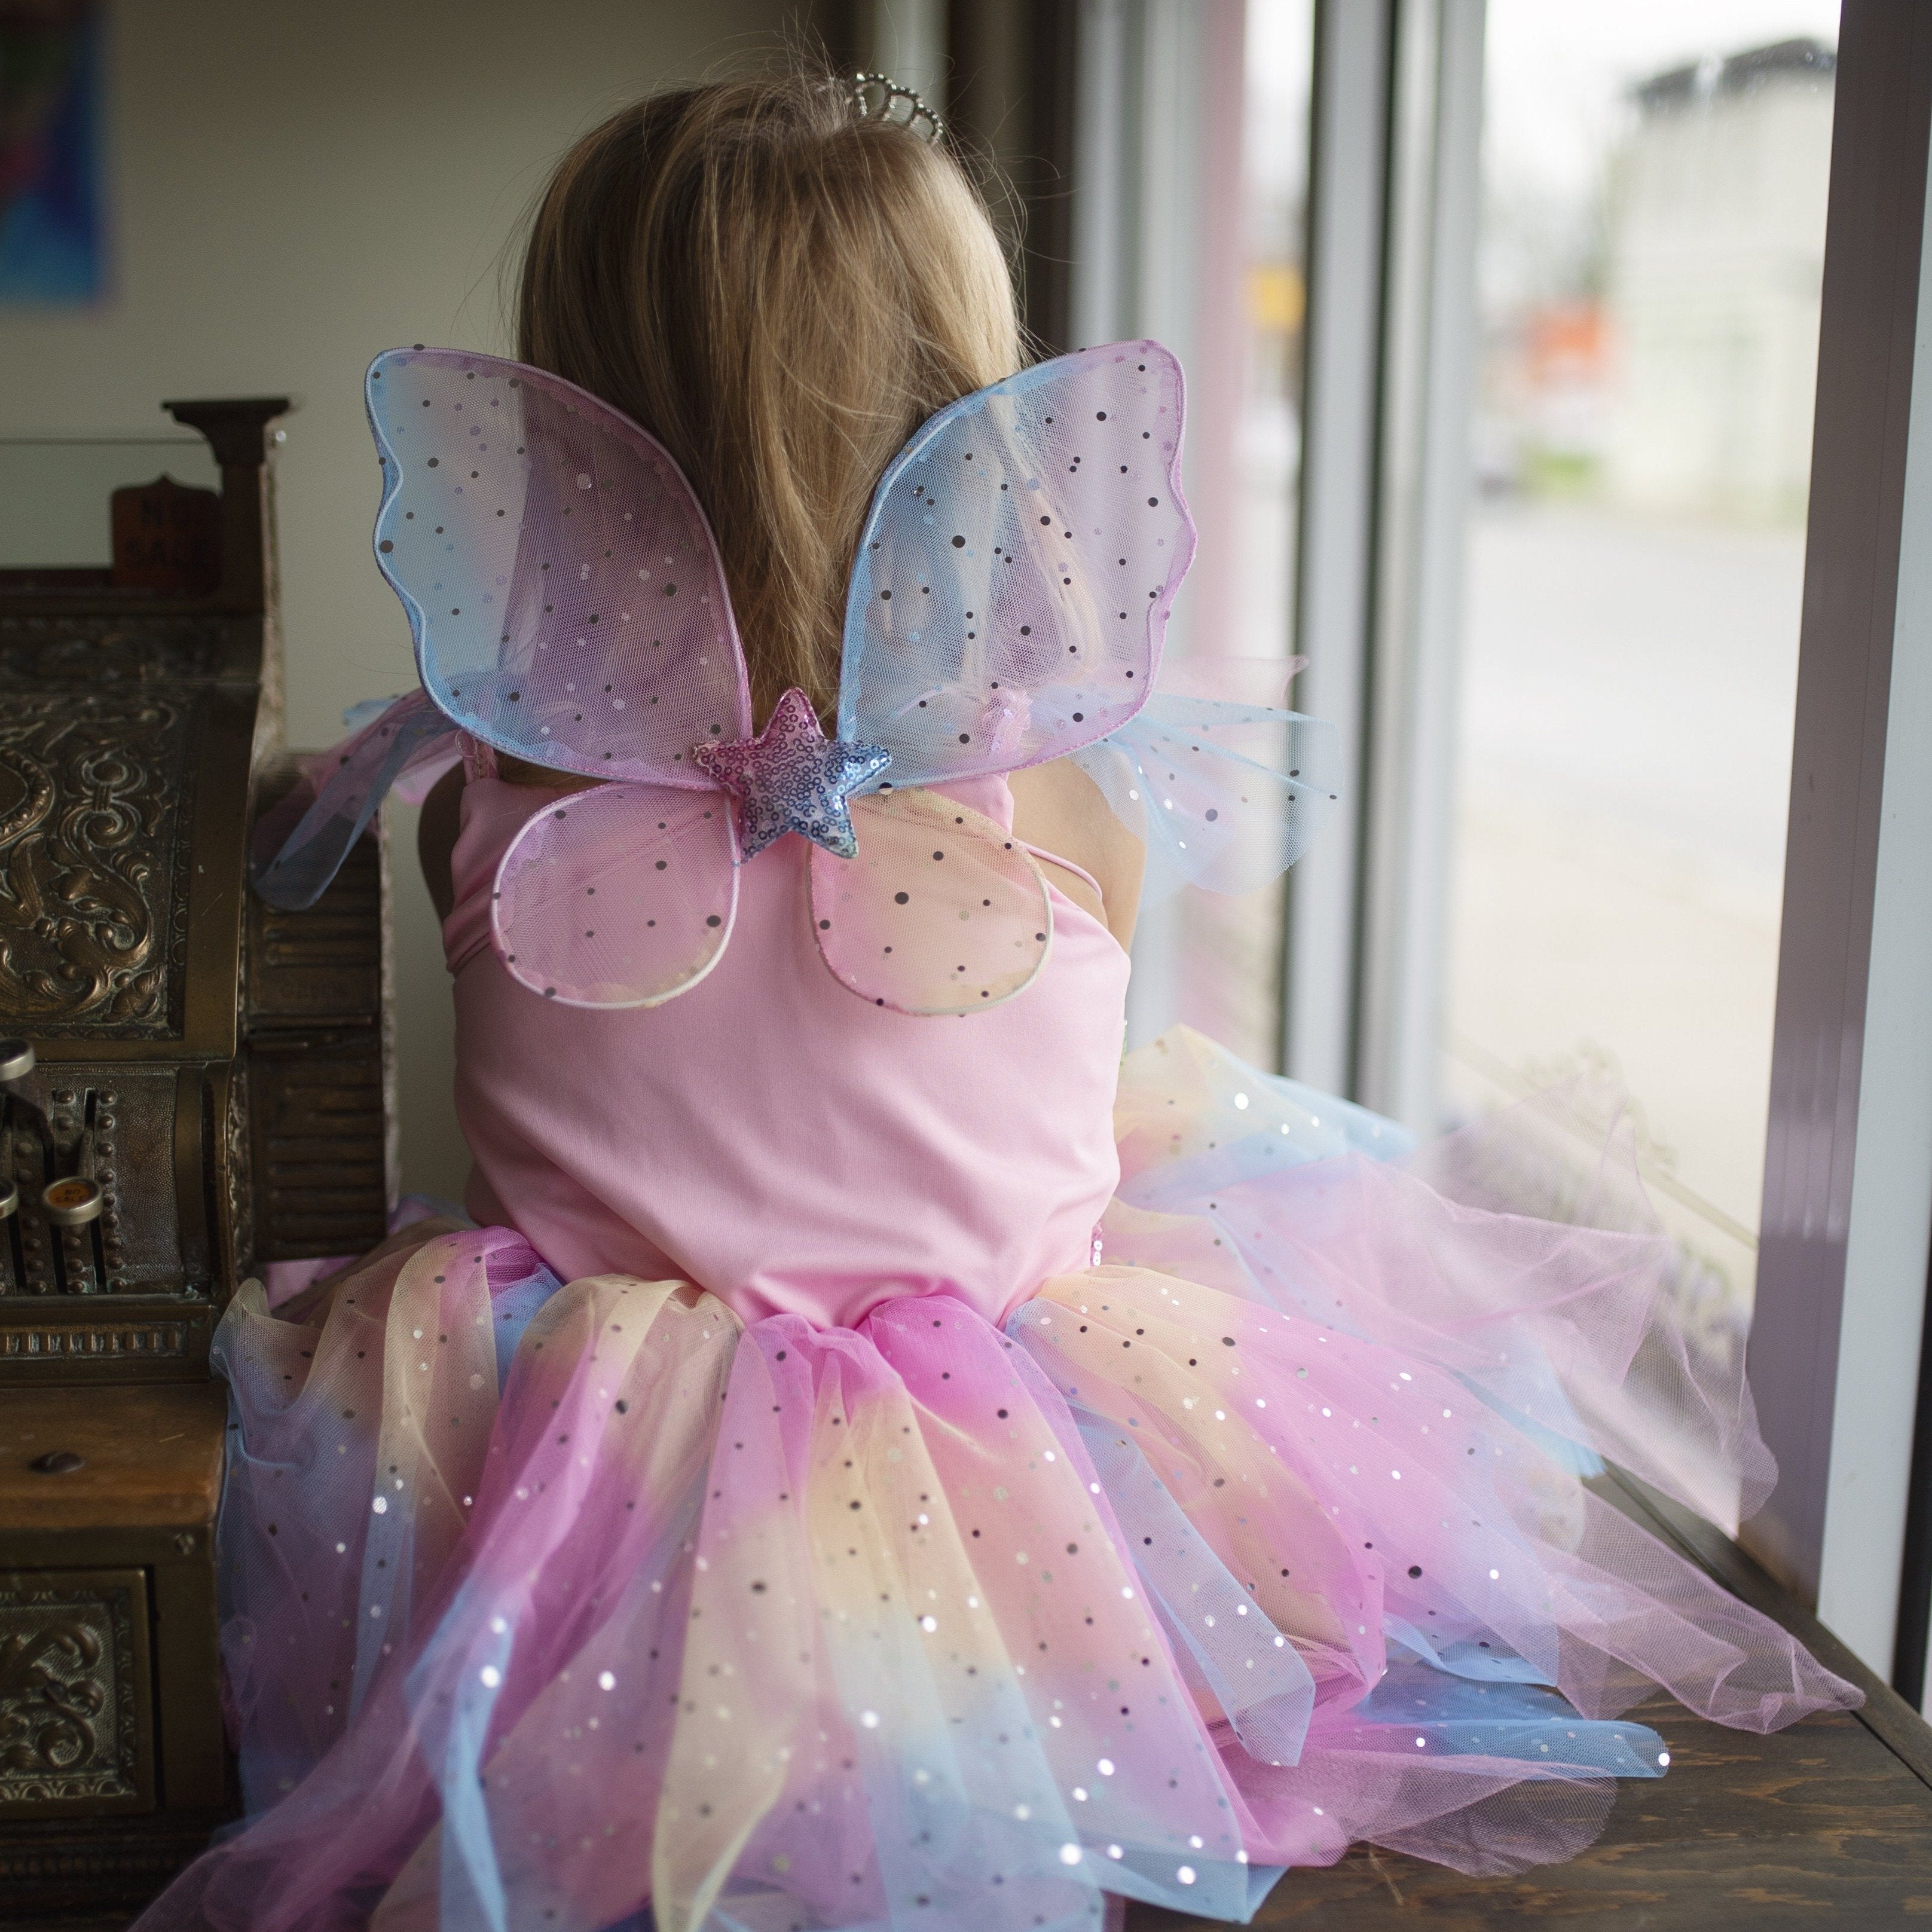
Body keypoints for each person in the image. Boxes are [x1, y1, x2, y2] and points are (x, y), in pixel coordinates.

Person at [138, 69, 1855, 1932]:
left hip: (604, 1523)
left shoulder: (486, 807)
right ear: (977, 414)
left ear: (572, 418)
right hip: (1031, 1534)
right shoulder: (1076, 789)